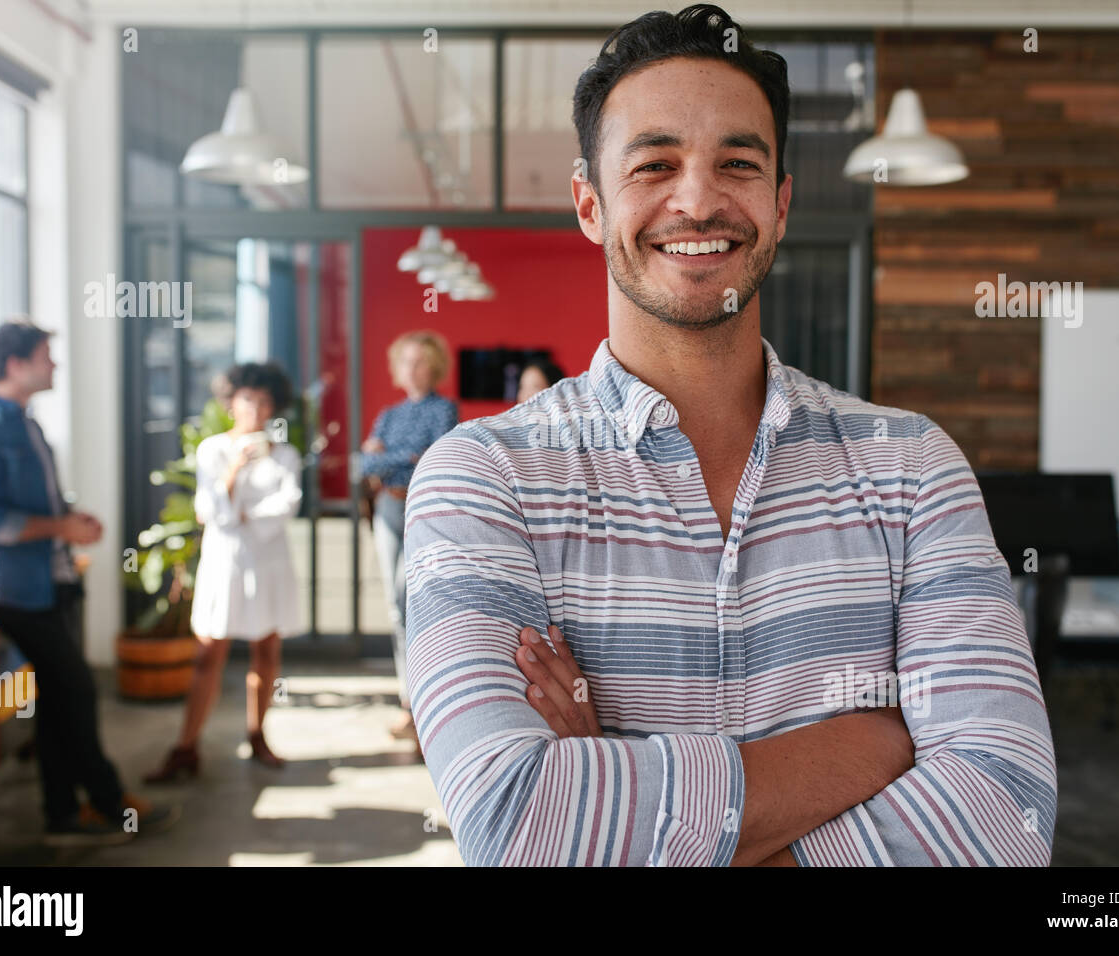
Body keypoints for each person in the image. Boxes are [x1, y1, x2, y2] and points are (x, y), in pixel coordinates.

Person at [403, 5, 1056, 866]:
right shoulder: (481, 477)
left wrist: (621, 796)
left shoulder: (913, 466)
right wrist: (879, 743)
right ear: (590, 205)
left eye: (738, 163)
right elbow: (518, 825)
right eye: (656, 163)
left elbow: (1005, 812)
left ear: (781, 203)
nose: (699, 198)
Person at [0, 320, 179, 846]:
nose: (55, 365)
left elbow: (33, 504)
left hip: (50, 581)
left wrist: (72, 518)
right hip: (13, 590)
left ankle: (65, 816)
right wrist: (60, 528)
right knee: (75, 690)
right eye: (46, 355)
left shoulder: (26, 423)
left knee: (58, 699)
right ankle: (107, 803)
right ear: (16, 364)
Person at [144, 362, 302, 782]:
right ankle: (186, 745)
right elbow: (207, 510)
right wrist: (235, 472)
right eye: (248, 399)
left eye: (265, 401)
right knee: (207, 653)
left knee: (266, 652)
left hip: (268, 563)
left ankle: (257, 734)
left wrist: (237, 514)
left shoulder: (285, 454)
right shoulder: (212, 449)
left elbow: (285, 507)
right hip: (225, 563)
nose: (256, 408)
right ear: (232, 403)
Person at [360, 331, 457, 745]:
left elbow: (434, 455)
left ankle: (430, 702)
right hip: (386, 509)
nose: (413, 370)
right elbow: (364, 463)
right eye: (407, 362)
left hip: (422, 509)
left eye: (421, 362)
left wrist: (387, 456)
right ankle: (409, 704)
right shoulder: (389, 414)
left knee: (412, 599)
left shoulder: (444, 410)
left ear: (433, 367)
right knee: (394, 607)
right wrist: (403, 455)